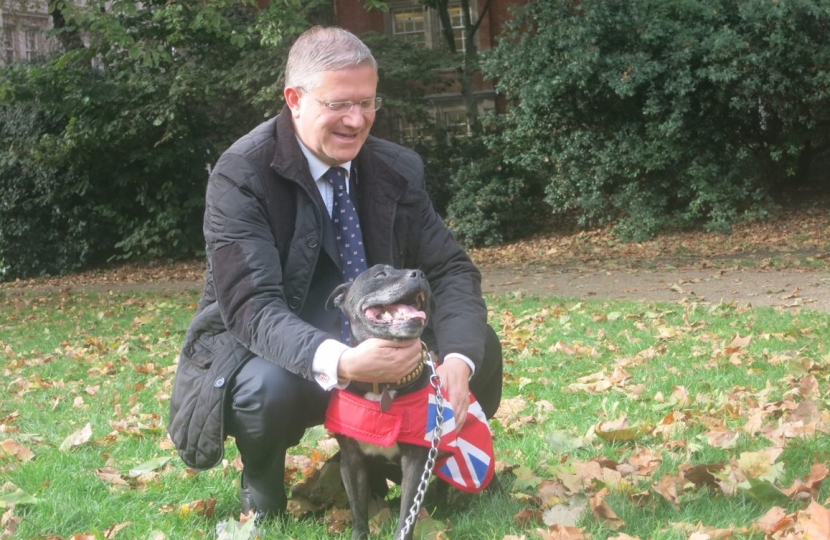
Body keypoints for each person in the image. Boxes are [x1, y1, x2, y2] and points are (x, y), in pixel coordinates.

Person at [167, 25, 503, 519]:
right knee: (265, 390)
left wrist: (456, 359)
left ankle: (413, 459)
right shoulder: (241, 174)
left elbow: (450, 269)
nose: (357, 119)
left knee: (479, 346)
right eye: (340, 104)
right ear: (294, 100)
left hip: (386, 335)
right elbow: (251, 307)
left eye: (368, 102)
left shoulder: (397, 167)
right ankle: (262, 480)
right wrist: (344, 362)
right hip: (282, 349)